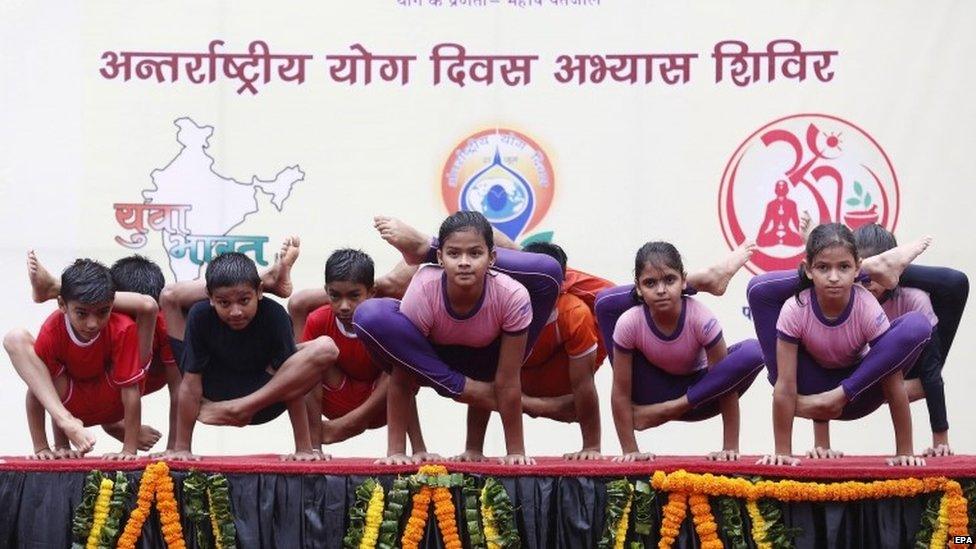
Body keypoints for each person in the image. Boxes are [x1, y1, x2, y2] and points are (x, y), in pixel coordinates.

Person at [353, 213, 562, 465]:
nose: (464, 262)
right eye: (453, 254)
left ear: (492, 258)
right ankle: (459, 385)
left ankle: (474, 447)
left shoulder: (511, 295)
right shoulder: (424, 286)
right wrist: (398, 451)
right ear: (440, 258)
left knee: (550, 271)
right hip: (433, 359)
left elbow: (507, 380)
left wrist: (515, 452)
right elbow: (402, 374)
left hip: (490, 358)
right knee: (368, 314)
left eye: (475, 254)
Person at [747, 223, 933, 466]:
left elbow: (892, 377)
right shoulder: (795, 308)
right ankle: (874, 267)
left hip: (856, 395)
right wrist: (783, 451)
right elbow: (784, 384)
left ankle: (838, 394)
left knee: (917, 325)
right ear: (808, 270)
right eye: (823, 267)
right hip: (809, 392)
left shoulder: (864, 304)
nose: (833, 277)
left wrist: (905, 450)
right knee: (758, 289)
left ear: (856, 268)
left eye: (844, 267)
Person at [164, 252, 338, 461]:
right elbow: (191, 382)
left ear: (260, 292)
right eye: (224, 303)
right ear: (210, 298)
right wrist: (182, 448)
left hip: (265, 401)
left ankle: (240, 409)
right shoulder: (200, 316)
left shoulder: (275, 316)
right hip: (214, 397)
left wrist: (303, 449)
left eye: (244, 300)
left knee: (325, 348)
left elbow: (294, 386)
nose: (236, 312)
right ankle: (233, 409)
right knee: (169, 297)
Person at [598, 242, 763, 462]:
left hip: (699, 398)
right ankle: (707, 278)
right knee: (604, 303)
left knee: (754, 351)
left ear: (683, 281)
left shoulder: (700, 317)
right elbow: (620, 391)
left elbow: (725, 384)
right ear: (637, 288)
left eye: (670, 280)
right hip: (650, 397)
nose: (661, 290)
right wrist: (630, 450)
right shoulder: (629, 322)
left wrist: (730, 447)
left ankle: (673, 407)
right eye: (650, 283)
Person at [4, 258, 156, 459]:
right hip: (71, 405)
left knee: (142, 322)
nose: (92, 324)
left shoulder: (122, 327)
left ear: (112, 305)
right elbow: (38, 389)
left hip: (114, 401)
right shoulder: (52, 330)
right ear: (62, 305)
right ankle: (65, 427)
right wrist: (44, 447)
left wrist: (129, 449)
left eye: (102, 312)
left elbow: (130, 390)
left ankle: (56, 287)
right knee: (16, 340)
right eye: (82, 314)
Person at [296, 248, 429, 456]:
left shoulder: (386, 317)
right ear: (326, 291)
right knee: (309, 361)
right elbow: (303, 378)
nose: (344, 306)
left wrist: (353, 422)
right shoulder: (318, 320)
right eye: (335, 296)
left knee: (403, 364)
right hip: (336, 403)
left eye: (354, 296)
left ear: (372, 292)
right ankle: (313, 447)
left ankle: (418, 449)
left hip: (383, 406)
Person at [854, 224, 967, 456]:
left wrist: (940, 439)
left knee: (955, 283)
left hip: (915, 371)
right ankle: (858, 264)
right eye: (865, 275)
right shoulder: (849, 300)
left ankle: (888, 266)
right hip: (866, 377)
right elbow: (827, 359)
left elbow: (932, 370)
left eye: (874, 274)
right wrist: (821, 443)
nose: (869, 284)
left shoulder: (913, 299)